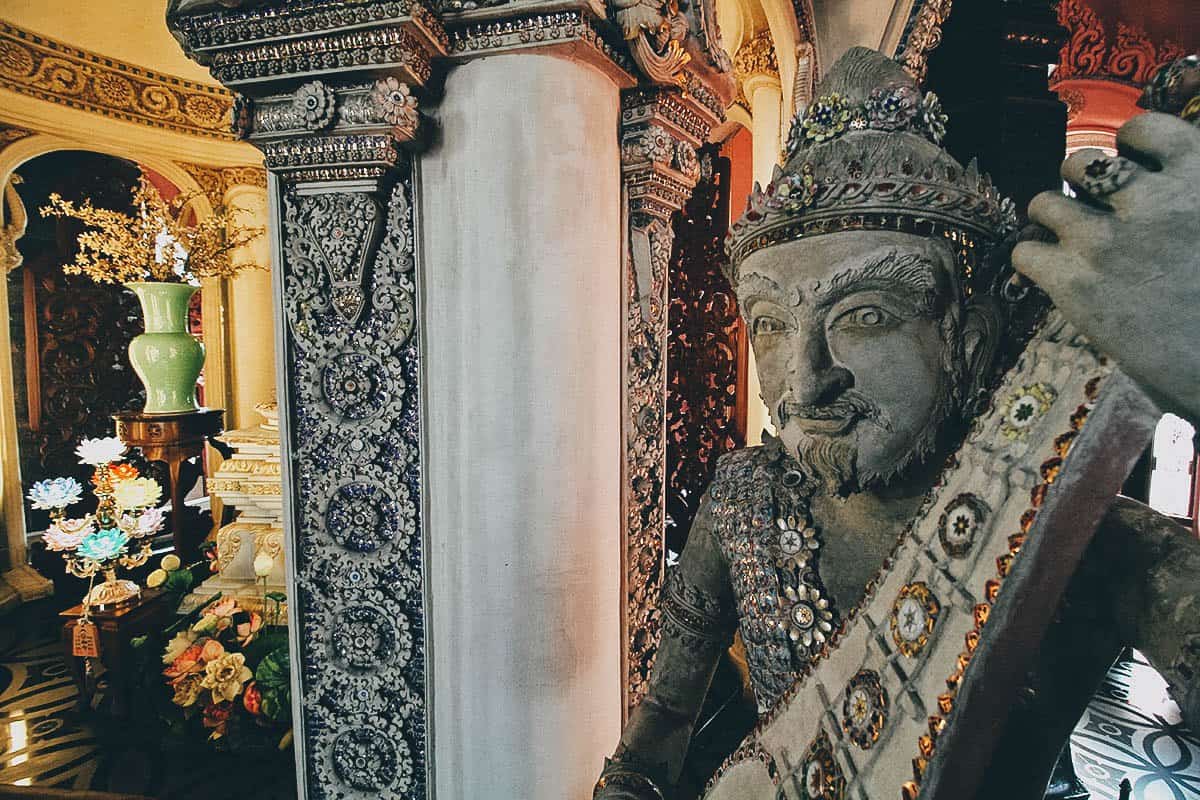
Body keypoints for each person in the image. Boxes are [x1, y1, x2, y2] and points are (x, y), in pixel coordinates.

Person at [595, 47, 1200, 800]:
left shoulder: (1086, 536)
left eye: (866, 315)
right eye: (774, 325)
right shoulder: (744, 502)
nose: (806, 380)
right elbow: (661, 722)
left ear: (969, 338)